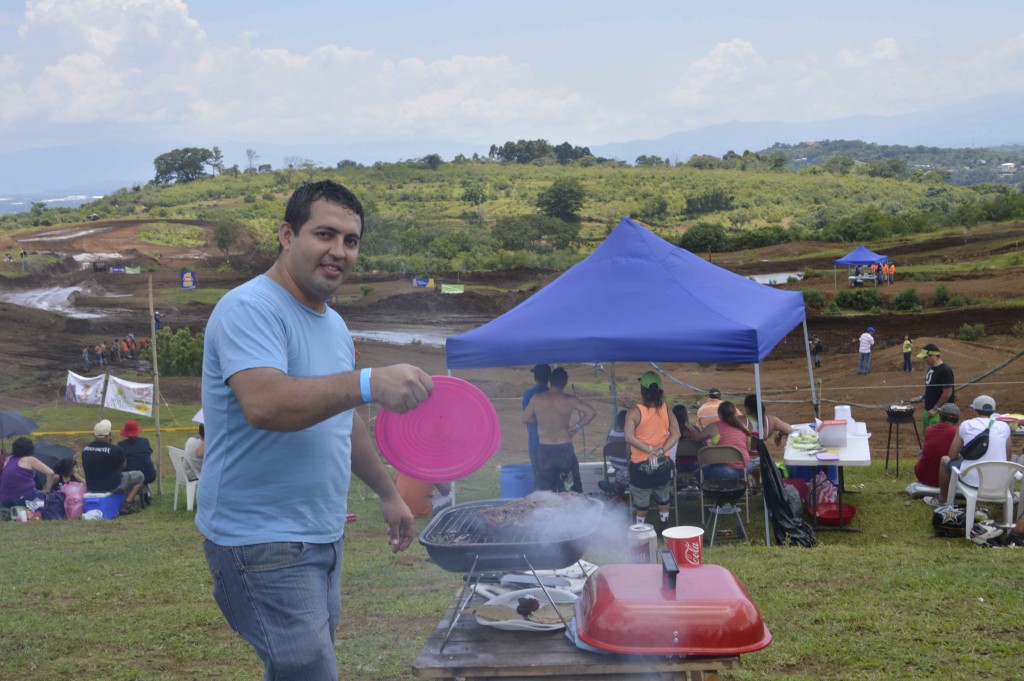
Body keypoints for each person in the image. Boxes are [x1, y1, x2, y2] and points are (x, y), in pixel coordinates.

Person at [197, 180, 433, 680]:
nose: (339, 251)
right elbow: (265, 403)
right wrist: (368, 380)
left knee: (301, 669)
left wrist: (389, 494)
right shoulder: (250, 309)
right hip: (259, 539)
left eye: (351, 240)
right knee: (310, 671)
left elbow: (343, 418)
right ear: (286, 234)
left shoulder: (333, 324)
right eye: (324, 234)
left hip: (320, 533)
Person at [522, 367, 596, 493]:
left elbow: (525, 418)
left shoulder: (537, 398)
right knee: (571, 488)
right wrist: (576, 427)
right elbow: (591, 412)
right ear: (565, 383)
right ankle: (572, 511)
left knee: (545, 491)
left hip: (545, 448)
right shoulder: (570, 400)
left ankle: (548, 512)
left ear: (550, 381)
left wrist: (539, 419)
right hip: (564, 447)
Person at [624, 372, 680, 528]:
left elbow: (628, 437)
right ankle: (664, 525)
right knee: (663, 495)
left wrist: (648, 449)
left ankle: (640, 528)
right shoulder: (666, 410)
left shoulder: (634, 412)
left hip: (640, 464)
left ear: (642, 390)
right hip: (662, 462)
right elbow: (677, 433)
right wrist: (661, 451)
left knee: (641, 500)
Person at [935, 395, 1012, 505]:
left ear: (974, 410)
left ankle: (943, 500)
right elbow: (1008, 457)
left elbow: (952, 455)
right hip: (999, 482)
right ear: (993, 411)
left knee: (944, 460)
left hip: (970, 481)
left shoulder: (966, 425)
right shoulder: (1005, 426)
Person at [81, 419, 145, 515]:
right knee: (139, 475)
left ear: (94, 434)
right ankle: (127, 503)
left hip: (91, 486)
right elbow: (123, 466)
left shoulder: (85, 448)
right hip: (111, 485)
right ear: (109, 435)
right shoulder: (115, 449)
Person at [696, 401, 751, 479]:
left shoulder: (715, 426)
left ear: (719, 414)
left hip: (727, 471)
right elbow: (748, 449)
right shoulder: (743, 427)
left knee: (698, 472)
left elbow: (697, 438)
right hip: (746, 468)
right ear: (735, 413)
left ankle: (712, 489)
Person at [910, 342, 955, 432]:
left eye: (925, 357)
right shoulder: (931, 369)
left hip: (939, 412)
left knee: (937, 438)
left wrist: (936, 408)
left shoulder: (945, 370)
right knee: (928, 437)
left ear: (932, 356)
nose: (924, 360)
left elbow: (947, 393)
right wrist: (921, 397)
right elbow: (930, 388)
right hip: (929, 410)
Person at [915, 403, 959, 488]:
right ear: (956, 419)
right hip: (947, 479)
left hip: (923, 477)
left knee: (921, 451)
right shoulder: (958, 432)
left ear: (940, 416)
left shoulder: (929, 429)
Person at [0, 437, 54, 508]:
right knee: (46, 505)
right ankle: (36, 512)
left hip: (5, 500)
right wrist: (47, 490)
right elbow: (50, 473)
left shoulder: (8, 458)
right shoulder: (29, 460)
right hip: (25, 498)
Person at [522, 364, 551, 478]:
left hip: (535, 442)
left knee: (539, 477)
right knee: (554, 477)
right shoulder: (554, 394)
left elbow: (526, 417)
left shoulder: (528, 393)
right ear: (549, 377)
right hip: (553, 443)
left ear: (535, 377)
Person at [118, 419, 155, 507]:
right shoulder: (145, 441)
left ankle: (128, 497)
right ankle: (146, 491)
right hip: (149, 475)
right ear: (137, 431)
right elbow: (148, 457)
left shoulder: (121, 445)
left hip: (130, 476)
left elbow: (120, 463)